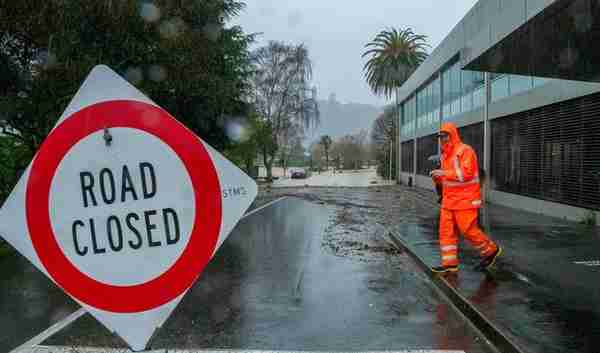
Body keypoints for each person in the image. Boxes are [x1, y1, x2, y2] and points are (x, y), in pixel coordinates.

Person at [429, 122, 501, 273]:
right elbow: (448, 179)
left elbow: (466, 174)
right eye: (440, 137)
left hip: (465, 200)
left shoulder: (465, 151)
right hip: (449, 201)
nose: (442, 139)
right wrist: (437, 178)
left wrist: (443, 174)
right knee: (445, 232)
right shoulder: (445, 156)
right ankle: (449, 264)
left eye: (445, 136)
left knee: (468, 231)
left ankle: (491, 251)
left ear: (452, 135)